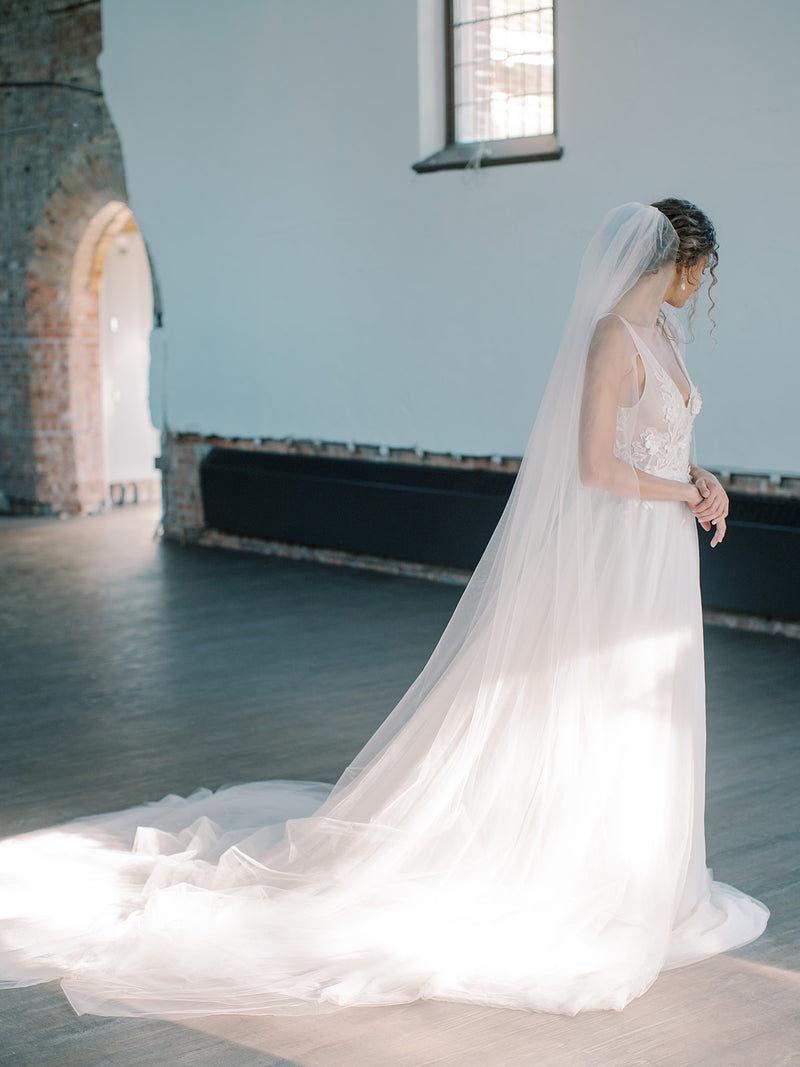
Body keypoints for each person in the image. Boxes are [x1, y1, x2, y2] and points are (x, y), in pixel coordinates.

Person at [0, 200, 768, 1018]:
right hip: (617, 551)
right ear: (678, 261)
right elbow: (593, 464)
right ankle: (579, 869)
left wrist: (704, 480)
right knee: (593, 706)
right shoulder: (612, 336)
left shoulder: (669, 338)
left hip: (661, 554)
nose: (702, 284)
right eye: (701, 268)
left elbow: (663, 440)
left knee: (651, 711)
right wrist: (682, 489)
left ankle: (644, 870)